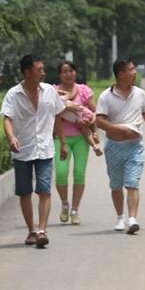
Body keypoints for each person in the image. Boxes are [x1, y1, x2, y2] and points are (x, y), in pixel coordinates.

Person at [0, 54, 78, 248]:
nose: (43, 72)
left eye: (43, 69)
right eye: (39, 69)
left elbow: (59, 115)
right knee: (24, 192)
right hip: (23, 149)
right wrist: (12, 137)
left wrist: (64, 142)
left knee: (44, 190)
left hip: (45, 149)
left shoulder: (50, 91)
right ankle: (31, 231)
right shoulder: (13, 94)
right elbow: (7, 118)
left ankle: (42, 230)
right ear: (27, 72)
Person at [95, 58, 145, 235]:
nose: (135, 72)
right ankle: (120, 217)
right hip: (114, 146)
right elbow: (99, 120)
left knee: (132, 183)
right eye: (131, 69)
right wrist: (117, 129)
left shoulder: (140, 94)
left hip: (135, 146)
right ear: (121, 74)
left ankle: (133, 218)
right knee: (116, 185)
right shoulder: (106, 96)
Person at [53, 60, 103, 226]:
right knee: (61, 172)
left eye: (71, 71)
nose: (68, 74)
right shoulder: (54, 92)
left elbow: (95, 112)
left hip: (81, 138)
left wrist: (92, 128)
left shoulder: (84, 91)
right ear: (60, 75)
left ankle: (75, 209)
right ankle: (65, 203)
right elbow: (53, 113)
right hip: (61, 138)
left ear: (75, 72)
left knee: (79, 173)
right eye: (65, 72)